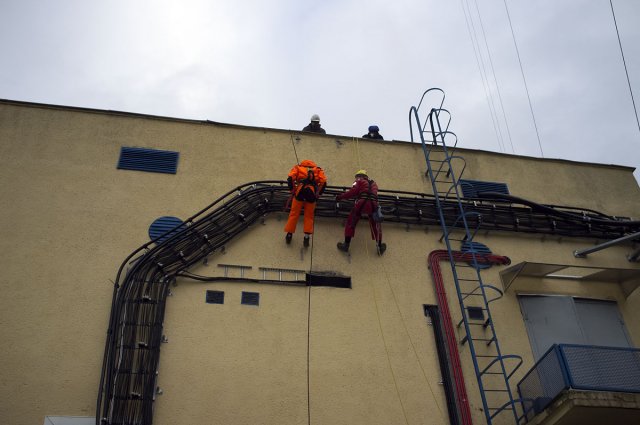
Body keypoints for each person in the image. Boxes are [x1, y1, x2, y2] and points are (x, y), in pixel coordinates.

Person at [335, 169, 386, 255]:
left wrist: (340, 197)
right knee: (376, 225)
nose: (356, 179)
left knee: (351, 222)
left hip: (362, 203)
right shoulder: (374, 184)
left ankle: (346, 245)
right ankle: (379, 246)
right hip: (373, 205)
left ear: (360, 176)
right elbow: (374, 193)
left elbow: (352, 192)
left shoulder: (359, 181)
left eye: (357, 177)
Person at [284, 159, 327, 247]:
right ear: (313, 164)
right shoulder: (318, 170)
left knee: (293, 214)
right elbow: (323, 182)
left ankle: (289, 234)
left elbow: (290, 178)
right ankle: (306, 237)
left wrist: (293, 190)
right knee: (309, 216)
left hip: (299, 193)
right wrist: (318, 193)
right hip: (311, 195)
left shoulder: (298, 168)